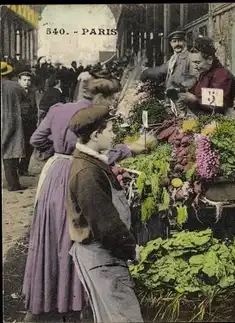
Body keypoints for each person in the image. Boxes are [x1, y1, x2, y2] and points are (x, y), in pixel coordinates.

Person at [22, 70, 145, 322]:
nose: (112, 104)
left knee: (53, 236)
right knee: (79, 234)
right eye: (111, 99)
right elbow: (100, 152)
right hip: (75, 170)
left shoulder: (58, 109)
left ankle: (49, 299)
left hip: (55, 172)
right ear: (101, 95)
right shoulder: (94, 120)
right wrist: (127, 149)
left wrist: (57, 152)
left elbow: (36, 139)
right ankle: (79, 300)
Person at [67, 105, 144, 323]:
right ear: (95, 135)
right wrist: (131, 250)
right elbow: (106, 225)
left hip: (102, 253)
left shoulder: (91, 161)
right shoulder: (87, 173)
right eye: (109, 130)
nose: (114, 134)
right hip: (102, 256)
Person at [179, 36, 235, 117]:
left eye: (197, 62)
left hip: (222, 122)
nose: (194, 66)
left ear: (210, 59)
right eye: (192, 62)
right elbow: (197, 93)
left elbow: (217, 107)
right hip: (205, 119)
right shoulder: (204, 73)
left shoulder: (223, 76)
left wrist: (194, 100)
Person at [1, 62, 27, 191]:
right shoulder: (15, 86)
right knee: (10, 154)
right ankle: (13, 184)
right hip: (12, 120)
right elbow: (24, 97)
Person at [18, 71, 38, 176]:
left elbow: (34, 108)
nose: (27, 82)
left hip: (30, 124)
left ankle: (23, 169)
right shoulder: (16, 92)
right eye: (24, 80)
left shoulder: (31, 92)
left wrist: (35, 120)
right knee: (18, 146)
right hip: (20, 123)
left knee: (29, 146)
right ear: (19, 81)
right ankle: (14, 170)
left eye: (29, 80)